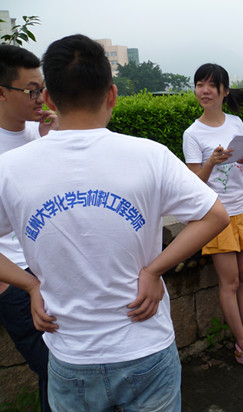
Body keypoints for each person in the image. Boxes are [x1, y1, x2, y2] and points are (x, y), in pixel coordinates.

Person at [0, 35, 229, 411]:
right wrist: (154, 270)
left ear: (50, 99)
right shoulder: (150, 155)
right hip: (145, 346)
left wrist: (30, 284)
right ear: (112, 94)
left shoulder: (10, 169)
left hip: (71, 355)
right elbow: (215, 215)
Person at [183, 63, 243, 370]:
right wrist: (211, 162)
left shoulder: (235, 122)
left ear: (224, 91)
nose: (204, 90)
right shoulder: (192, 133)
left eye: (212, 85)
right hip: (217, 214)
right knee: (230, 281)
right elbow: (194, 182)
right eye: (200, 84)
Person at [0, 44, 58, 412]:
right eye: (32, 91)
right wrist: (12, 284)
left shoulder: (43, 133)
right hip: (17, 278)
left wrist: (54, 143)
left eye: (43, 89)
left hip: (51, 265)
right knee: (54, 369)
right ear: (2, 93)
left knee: (62, 369)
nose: (41, 99)